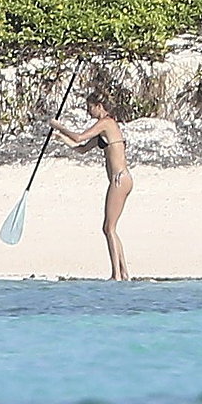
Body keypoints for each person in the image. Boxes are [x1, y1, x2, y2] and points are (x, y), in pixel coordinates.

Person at [50, 90, 133, 281]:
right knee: (110, 227)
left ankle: (116, 275)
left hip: (120, 178)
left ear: (99, 106)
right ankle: (124, 272)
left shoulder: (106, 123)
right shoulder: (104, 131)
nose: (88, 112)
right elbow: (81, 149)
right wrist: (60, 138)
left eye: (90, 108)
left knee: (108, 228)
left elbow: (79, 137)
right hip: (122, 179)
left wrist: (59, 126)